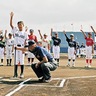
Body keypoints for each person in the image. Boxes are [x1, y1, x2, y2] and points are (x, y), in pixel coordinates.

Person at [10, 12, 28, 78]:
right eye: (19, 25)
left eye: (21, 25)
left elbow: (26, 41)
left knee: (22, 61)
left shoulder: (25, 33)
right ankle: (15, 74)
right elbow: (11, 25)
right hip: (16, 47)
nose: (20, 26)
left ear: (23, 25)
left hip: (22, 47)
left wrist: (24, 50)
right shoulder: (16, 31)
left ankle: (22, 73)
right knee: (16, 60)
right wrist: (11, 17)